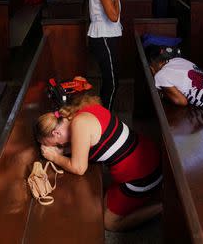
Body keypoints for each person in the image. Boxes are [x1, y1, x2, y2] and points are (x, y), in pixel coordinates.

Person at [36, 94, 162, 232]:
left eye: (55, 144)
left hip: (143, 176)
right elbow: (89, 143)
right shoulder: (79, 112)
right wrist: (63, 152)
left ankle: (161, 206)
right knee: (102, 200)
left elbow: (79, 168)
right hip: (150, 155)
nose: (60, 146)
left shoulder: (80, 124)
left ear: (56, 133)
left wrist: (54, 157)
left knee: (109, 223)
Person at [87, 0, 122, 109]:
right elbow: (114, 17)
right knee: (112, 82)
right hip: (103, 38)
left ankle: (102, 117)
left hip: (108, 36)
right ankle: (104, 121)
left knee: (112, 80)